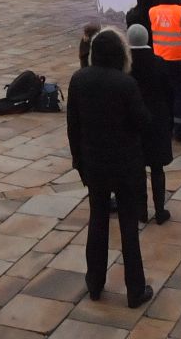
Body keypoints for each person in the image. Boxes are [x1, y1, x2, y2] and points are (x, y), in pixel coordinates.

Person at [67, 29, 155, 308]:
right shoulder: (125, 84)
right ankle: (135, 289)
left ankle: (94, 283)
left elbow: (73, 126)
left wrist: (78, 161)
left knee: (98, 220)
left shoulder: (79, 79)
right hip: (125, 164)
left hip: (94, 163)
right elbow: (143, 122)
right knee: (129, 226)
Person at [126, 24, 175, 224]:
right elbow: (169, 93)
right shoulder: (159, 63)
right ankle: (160, 209)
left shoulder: (125, 65)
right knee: (157, 167)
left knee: (137, 170)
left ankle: (141, 211)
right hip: (156, 120)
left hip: (133, 122)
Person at [149, 0, 181, 141]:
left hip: (160, 58)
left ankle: (166, 126)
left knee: (165, 94)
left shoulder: (153, 11)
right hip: (180, 58)